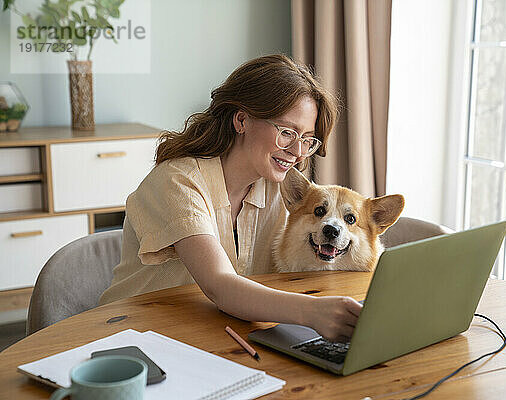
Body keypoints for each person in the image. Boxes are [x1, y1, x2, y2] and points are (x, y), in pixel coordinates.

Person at [99, 54, 362, 342]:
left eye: (307, 139)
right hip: (131, 337)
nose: (298, 152)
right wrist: (313, 312)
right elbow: (220, 286)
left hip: (214, 335)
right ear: (241, 120)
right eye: (287, 132)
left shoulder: (279, 184)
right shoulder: (177, 181)